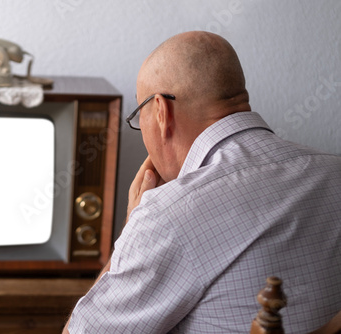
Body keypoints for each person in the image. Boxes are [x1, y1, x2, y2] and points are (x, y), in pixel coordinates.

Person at [63, 31, 341, 333]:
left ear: (161, 111)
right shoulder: (334, 170)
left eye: (138, 117)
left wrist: (131, 231)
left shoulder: (165, 216)